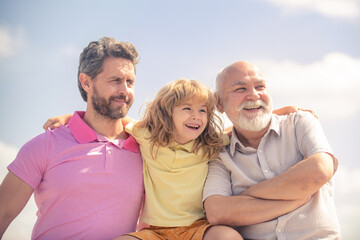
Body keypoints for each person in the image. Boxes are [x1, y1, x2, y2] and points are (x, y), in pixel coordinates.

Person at [0, 37, 145, 240]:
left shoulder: (146, 150)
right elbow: (2, 213)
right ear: (86, 82)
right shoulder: (45, 145)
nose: (124, 90)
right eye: (115, 80)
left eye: (130, 82)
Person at [203, 61, 341, 239]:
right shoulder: (220, 154)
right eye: (240, 89)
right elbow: (217, 212)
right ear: (219, 103)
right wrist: (295, 198)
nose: (253, 95)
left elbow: (319, 171)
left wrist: (247, 197)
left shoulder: (300, 123)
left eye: (260, 86)